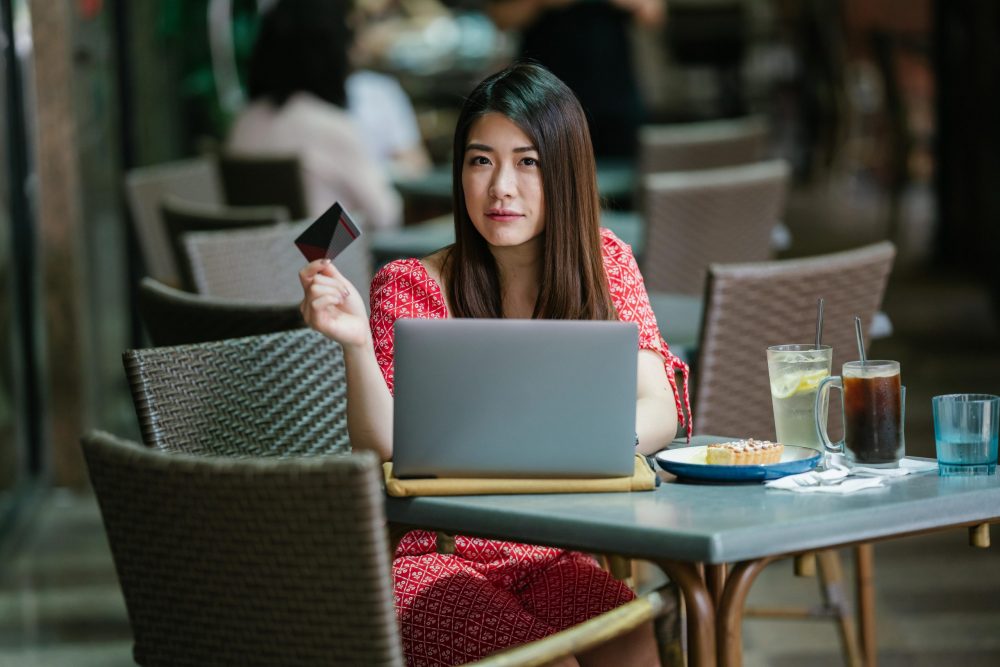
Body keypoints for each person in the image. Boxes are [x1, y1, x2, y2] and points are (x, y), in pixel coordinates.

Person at [300, 62, 690, 667]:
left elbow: (660, 406)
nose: (500, 186)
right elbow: (386, 444)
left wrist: (567, 446)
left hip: (552, 550)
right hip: (428, 556)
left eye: (527, 161)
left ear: (565, 171)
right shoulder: (411, 284)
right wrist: (354, 345)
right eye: (480, 160)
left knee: (636, 652)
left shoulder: (604, 262)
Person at [227, 0, 402, 230]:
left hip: (262, 260)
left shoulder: (244, 122)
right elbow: (385, 215)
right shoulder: (329, 126)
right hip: (326, 261)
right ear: (333, 51)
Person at [486, 0, 665, 160]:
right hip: (544, 99)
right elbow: (500, 18)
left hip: (614, 100)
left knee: (627, 184)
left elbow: (653, 13)